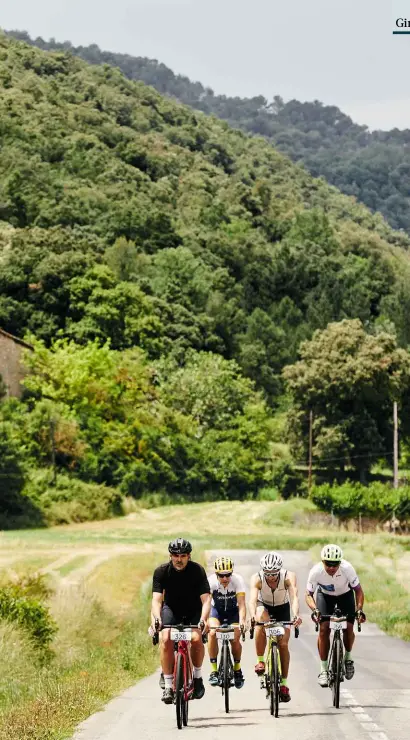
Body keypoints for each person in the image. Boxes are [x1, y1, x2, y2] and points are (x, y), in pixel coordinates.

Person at [151, 537, 211, 704]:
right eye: (176, 555)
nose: (179, 559)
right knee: (165, 638)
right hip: (171, 609)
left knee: (197, 639)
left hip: (193, 610)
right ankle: (169, 686)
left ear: (189, 556)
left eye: (183, 555)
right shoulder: (161, 571)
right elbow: (156, 600)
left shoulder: (197, 570)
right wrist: (156, 619)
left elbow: (206, 599)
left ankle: (198, 678)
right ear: (170, 556)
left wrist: (203, 619)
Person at [305, 543, 366, 687]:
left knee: (349, 627)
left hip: (345, 596)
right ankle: (324, 670)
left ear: (340, 562)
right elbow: (308, 594)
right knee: (324, 628)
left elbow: (358, 591)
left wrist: (359, 609)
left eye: (335, 564)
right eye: (328, 564)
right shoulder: (316, 571)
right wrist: (315, 609)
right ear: (322, 562)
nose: (332, 567)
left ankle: (348, 658)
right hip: (325, 597)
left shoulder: (347, 569)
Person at [249, 551, 302, 703]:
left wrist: (296, 615)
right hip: (264, 607)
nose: (271, 577)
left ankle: (284, 684)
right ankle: (260, 660)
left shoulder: (288, 577)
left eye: (274, 573)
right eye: (267, 573)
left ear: (279, 570)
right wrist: (252, 616)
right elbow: (252, 601)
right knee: (259, 617)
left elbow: (294, 597)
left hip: (282, 608)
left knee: (283, 644)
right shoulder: (257, 578)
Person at [207, 555, 247, 689]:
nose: (224, 578)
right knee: (212, 633)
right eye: (221, 575)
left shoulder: (238, 581)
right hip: (216, 612)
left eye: (228, 575)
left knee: (235, 639)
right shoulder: (210, 582)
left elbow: (241, 604)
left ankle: (237, 669)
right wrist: (204, 621)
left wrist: (242, 621)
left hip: (233, 613)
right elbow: (206, 603)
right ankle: (214, 670)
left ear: (232, 573)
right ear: (216, 574)